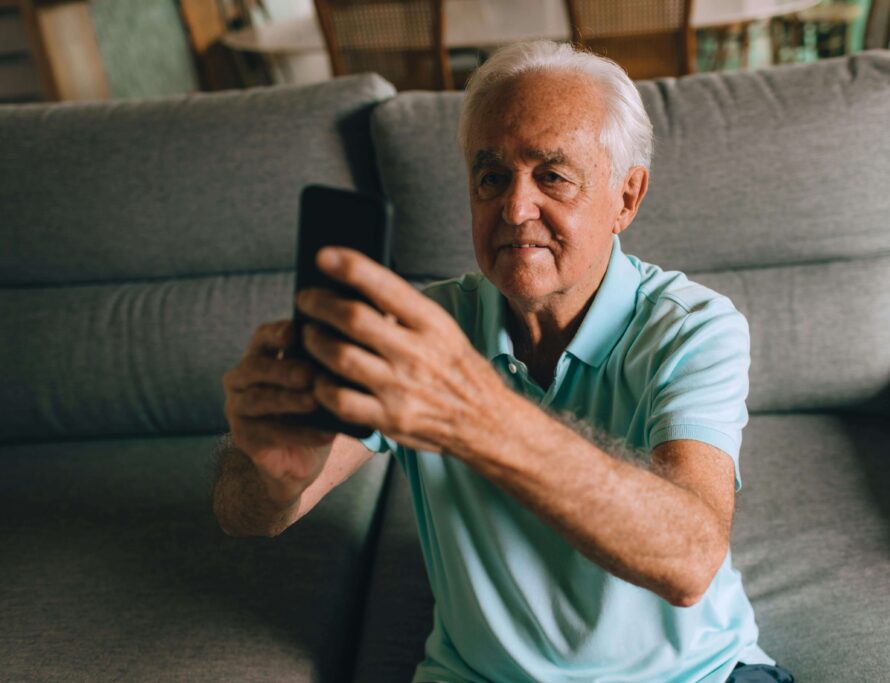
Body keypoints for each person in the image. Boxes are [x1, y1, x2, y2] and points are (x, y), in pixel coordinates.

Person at [215, 41, 792, 683]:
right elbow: (244, 512)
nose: (515, 211)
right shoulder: (419, 328)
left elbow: (688, 561)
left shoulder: (694, 327)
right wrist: (274, 476)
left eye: (553, 176)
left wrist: (473, 414)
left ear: (626, 198)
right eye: (492, 178)